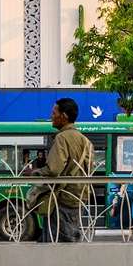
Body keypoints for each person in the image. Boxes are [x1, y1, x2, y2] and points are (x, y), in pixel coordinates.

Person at [29, 96, 93, 242]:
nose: (51, 116)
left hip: (62, 199)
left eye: (54, 113)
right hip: (78, 198)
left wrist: (36, 172)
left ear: (63, 116)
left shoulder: (62, 138)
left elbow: (53, 169)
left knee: (56, 245)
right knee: (71, 243)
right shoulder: (85, 141)